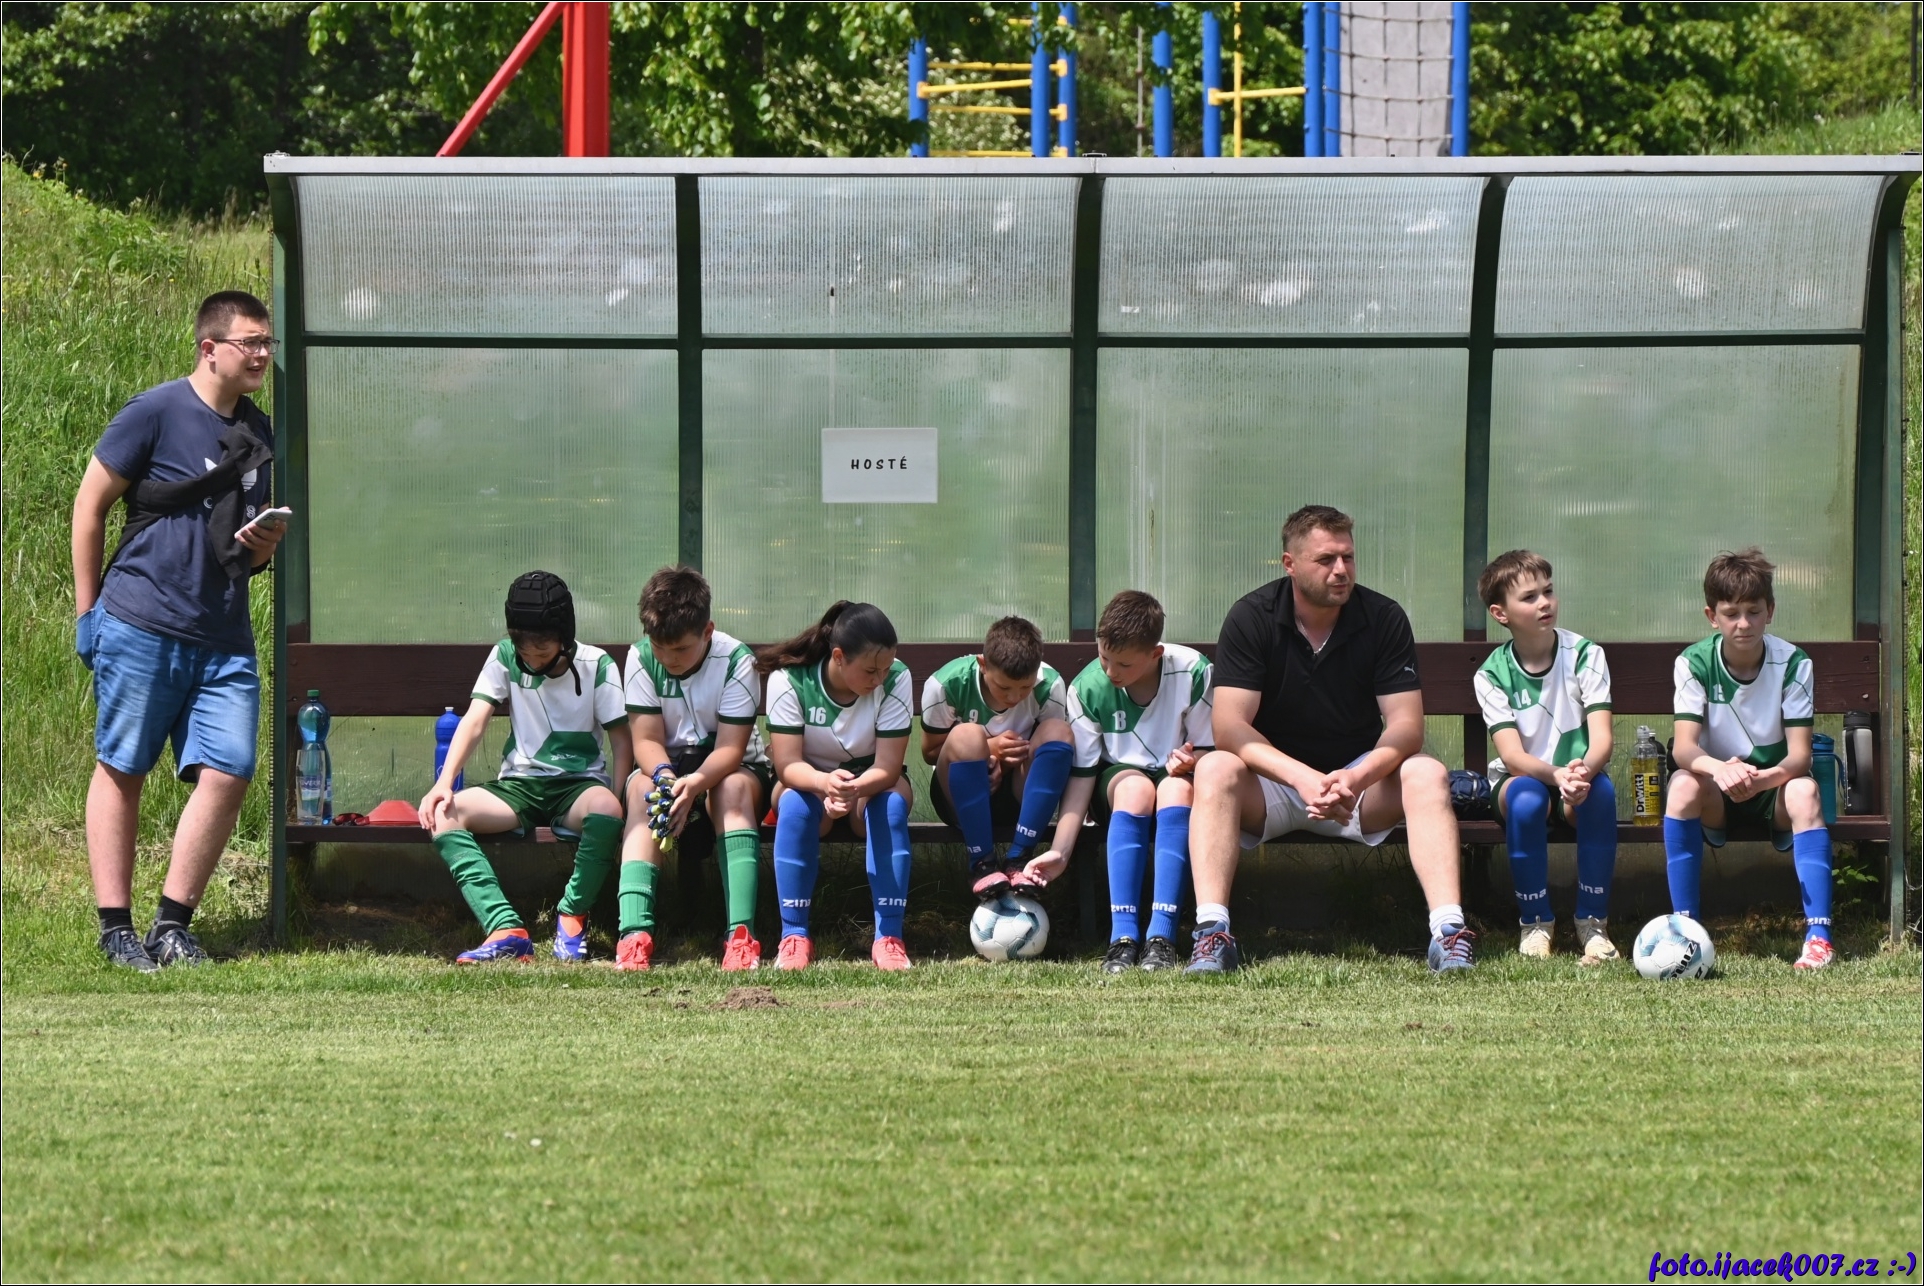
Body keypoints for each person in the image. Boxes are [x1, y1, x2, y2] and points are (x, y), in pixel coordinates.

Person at [71, 291, 286, 971]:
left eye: (267, 343)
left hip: (223, 635)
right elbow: (89, 506)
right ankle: (116, 930)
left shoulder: (260, 431)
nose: (261, 355)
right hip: (140, 620)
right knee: (123, 768)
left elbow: (243, 545)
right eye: (250, 342)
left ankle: (172, 926)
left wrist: (263, 546)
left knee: (230, 770)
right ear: (210, 348)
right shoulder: (155, 411)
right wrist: (87, 612)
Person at [1187, 505, 1475, 974]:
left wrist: (1356, 777)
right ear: (1290, 563)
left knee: (1426, 771)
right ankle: (1212, 934)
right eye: (1326, 559)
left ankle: (1449, 934)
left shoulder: (1383, 617)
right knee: (1215, 766)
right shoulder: (1251, 616)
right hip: (1275, 786)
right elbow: (1229, 727)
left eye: (1348, 557)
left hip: (1356, 787)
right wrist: (1301, 778)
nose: (1341, 570)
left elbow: (1406, 726)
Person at [416, 572, 630, 964]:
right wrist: (444, 782)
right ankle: (505, 929)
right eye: (524, 650)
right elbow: (475, 719)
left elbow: (621, 739)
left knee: (607, 810)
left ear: (565, 636)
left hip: (579, 787)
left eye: (542, 650)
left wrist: (618, 800)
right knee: (443, 814)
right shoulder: (503, 656)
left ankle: (572, 915)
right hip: (518, 787)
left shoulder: (597, 664)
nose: (532, 659)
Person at [1664, 548, 1832, 970]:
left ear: (1770, 611)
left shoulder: (1793, 662)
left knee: (1806, 792)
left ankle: (1819, 937)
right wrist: (1722, 770)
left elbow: (1799, 757)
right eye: (1731, 613)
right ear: (1712, 616)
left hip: (1773, 790)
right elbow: (1684, 749)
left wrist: (1760, 780)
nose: (1743, 623)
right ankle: (1686, 930)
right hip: (1716, 794)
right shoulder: (1693, 662)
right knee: (1681, 785)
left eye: (1753, 612)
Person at [616, 566, 772, 972]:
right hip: (669, 767)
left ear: (708, 631)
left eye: (681, 649)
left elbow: (731, 749)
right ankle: (633, 936)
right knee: (643, 793)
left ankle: (741, 936)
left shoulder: (737, 660)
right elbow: (646, 740)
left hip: (732, 769)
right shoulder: (639, 656)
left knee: (731, 790)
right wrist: (667, 780)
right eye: (660, 648)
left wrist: (696, 783)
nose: (669, 659)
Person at [1473, 550, 1619, 964]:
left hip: (1579, 777)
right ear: (1500, 614)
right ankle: (1535, 924)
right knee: (1526, 799)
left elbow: (1602, 740)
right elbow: (1512, 757)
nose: (1545, 603)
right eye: (1529, 597)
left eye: (1548, 592)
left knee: (1601, 794)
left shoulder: (1586, 654)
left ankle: (1593, 923)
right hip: (1524, 779)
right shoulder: (1491, 673)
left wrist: (1581, 773)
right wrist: (1556, 775)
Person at [759, 602, 916, 971]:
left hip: (870, 786)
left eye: (885, 669)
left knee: (891, 806)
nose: (879, 679)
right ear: (839, 657)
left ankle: (889, 938)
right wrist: (823, 783)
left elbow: (888, 767)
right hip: (808, 782)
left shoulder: (897, 678)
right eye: (870, 670)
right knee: (794, 807)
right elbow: (787, 765)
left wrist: (851, 789)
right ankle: (793, 936)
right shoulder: (789, 679)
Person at [1066, 591, 1213, 974]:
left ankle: (1162, 938)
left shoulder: (1194, 671)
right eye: (1104, 657)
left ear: (1155, 654)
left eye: (1124, 664)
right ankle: (1123, 938)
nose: (1110, 671)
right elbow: (1082, 777)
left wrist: (1192, 760)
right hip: (1117, 783)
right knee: (1135, 790)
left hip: (1176, 781)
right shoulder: (1086, 687)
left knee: (1177, 788)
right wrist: (1061, 852)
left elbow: (1212, 752)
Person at [920, 615, 1077, 900]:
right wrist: (989, 749)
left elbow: (1046, 755)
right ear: (983, 664)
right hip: (957, 795)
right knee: (967, 736)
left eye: (1025, 688)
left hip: (1019, 797)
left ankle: (1020, 859)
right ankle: (981, 863)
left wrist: (1004, 765)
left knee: (1060, 732)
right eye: (1004, 687)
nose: (1014, 697)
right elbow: (930, 752)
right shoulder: (946, 684)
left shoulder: (1050, 685)